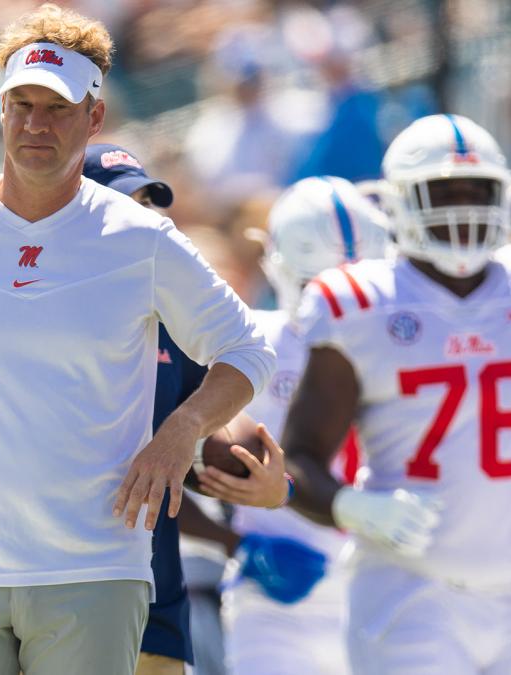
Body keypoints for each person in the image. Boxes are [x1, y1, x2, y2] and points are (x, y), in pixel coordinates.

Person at [0, 5, 281, 674]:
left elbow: (247, 349)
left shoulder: (142, 239)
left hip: (95, 568)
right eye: (21, 105)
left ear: (94, 117)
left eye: (56, 108)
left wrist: (182, 431)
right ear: (0, 109)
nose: (35, 124)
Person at [265, 114, 511, 674]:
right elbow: (298, 458)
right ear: (400, 203)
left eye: (478, 191)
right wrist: (356, 508)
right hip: (408, 590)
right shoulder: (361, 304)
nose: (464, 208)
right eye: (444, 192)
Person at [196, 176, 390, 674]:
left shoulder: (413, 344)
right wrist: (239, 544)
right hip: (278, 596)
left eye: (356, 293)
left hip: (386, 585)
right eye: (321, 291)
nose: (339, 308)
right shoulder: (250, 342)